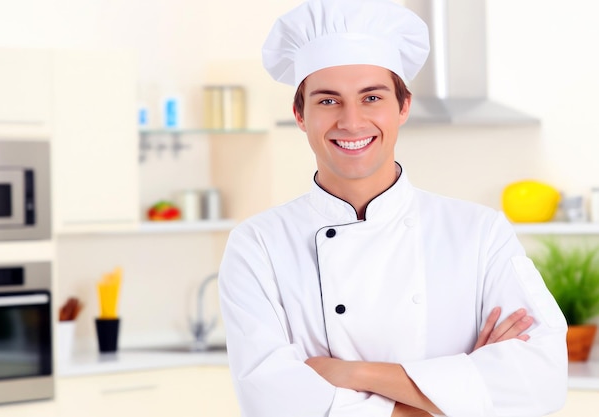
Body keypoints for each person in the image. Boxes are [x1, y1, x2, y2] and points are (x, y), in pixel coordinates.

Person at [218, 0, 568, 416]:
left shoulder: (479, 232)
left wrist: (350, 374)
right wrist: (460, 393)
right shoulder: (257, 245)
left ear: (403, 107)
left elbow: (539, 387)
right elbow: (275, 403)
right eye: (328, 101)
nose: (351, 122)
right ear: (299, 114)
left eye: (371, 97)